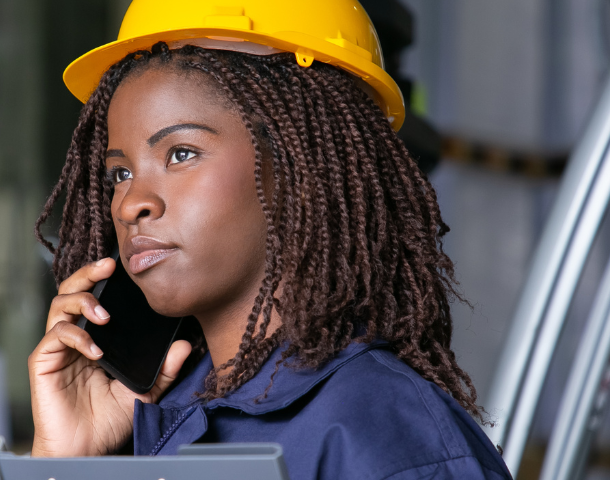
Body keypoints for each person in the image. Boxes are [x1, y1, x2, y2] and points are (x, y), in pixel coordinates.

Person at [30, 0, 513, 478]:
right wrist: (64, 464)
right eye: (120, 173)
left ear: (302, 169)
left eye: (180, 153)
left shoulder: (389, 440)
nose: (131, 202)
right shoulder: (159, 419)